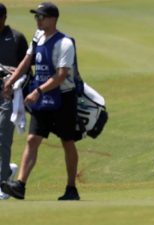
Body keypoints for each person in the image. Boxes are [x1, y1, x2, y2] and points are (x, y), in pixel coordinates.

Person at [1, 2, 80, 200]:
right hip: (43, 97)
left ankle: (71, 188)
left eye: (41, 16)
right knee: (32, 139)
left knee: (67, 142)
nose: (37, 19)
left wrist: (37, 90)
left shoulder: (65, 44)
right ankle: (20, 185)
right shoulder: (37, 37)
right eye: (36, 16)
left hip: (63, 98)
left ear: (53, 19)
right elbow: (26, 61)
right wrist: (10, 81)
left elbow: (61, 75)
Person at [0, 3, 29, 200]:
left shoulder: (17, 38)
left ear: (3, 18)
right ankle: (7, 170)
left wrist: (16, 80)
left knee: (3, 138)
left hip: (8, 96)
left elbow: (27, 70)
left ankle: (2, 185)